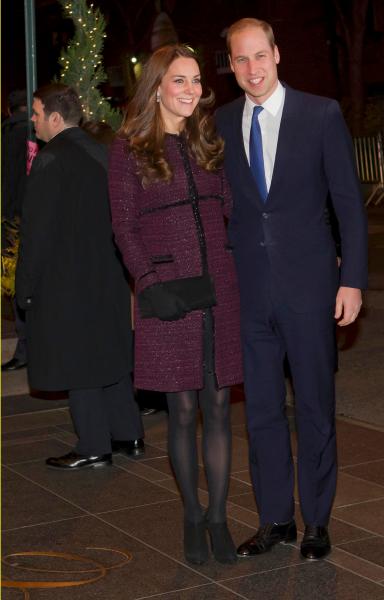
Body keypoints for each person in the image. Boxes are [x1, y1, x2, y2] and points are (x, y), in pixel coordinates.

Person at [215, 18, 368, 561]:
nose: (252, 69)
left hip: (311, 290)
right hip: (249, 294)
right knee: (260, 413)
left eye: (260, 56)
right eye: (240, 60)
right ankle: (276, 519)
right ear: (230, 66)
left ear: (277, 55)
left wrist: (352, 280)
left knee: (314, 409)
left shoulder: (320, 113)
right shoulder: (222, 122)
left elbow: (348, 203)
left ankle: (317, 523)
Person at [108, 45, 243, 566]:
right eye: (180, 81)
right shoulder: (130, 148)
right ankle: (191, 513)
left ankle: (219, 516)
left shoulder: (207, 140)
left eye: (195, 81)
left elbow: (228, 205)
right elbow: (124, 226)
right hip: (169, 293)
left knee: (218, 408)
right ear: (157, 87)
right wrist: (148, 281)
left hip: (220, 289)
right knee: (183, 410)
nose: (191, 91)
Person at [15, 83, 144, 470]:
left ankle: (92, 445)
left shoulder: (52, 159)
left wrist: (25, 288)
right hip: (108, 274)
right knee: (111, 355)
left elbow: (37, 231)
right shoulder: (101, 151)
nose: (33, 121)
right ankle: (129, 434)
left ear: (55, 117)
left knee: (78, 360)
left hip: (67, 280)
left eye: (36, 114)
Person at [2, 90, 30, 372]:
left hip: (12, 224)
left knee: (16, 286)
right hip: (36, 219)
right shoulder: (40, 134)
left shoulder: (8, 136)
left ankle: (25, 350)